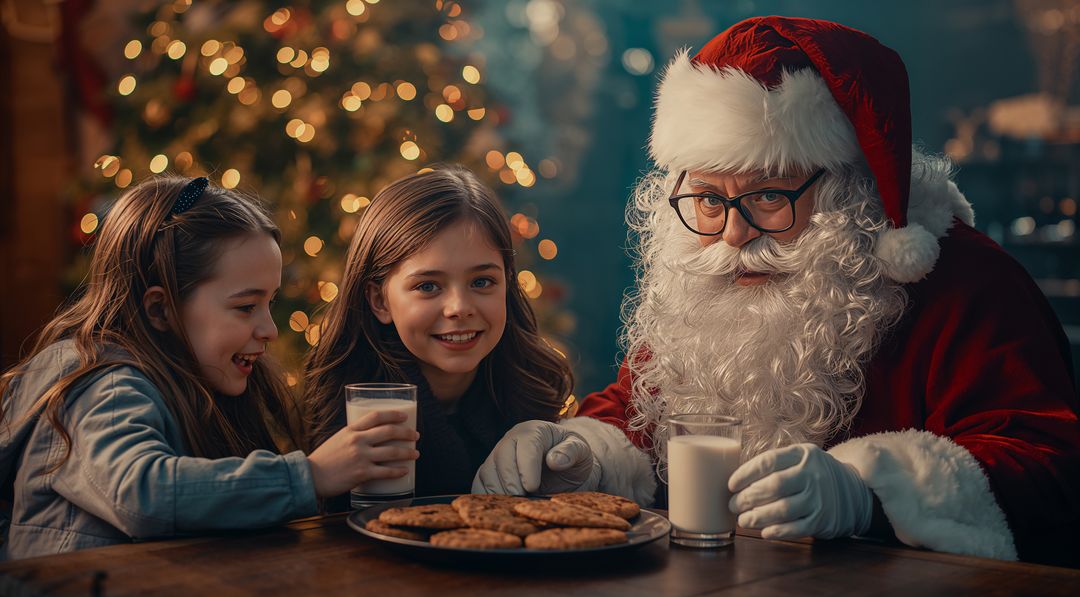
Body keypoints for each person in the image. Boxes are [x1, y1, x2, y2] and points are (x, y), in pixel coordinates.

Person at [473, 16, 1080, 565]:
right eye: (708, 198)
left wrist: (871, 493)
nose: (733, 234)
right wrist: (581, 453)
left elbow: (1050, 466)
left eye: (769, 195)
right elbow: (640, 413)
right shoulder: (707, 278)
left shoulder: (968, 285)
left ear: (850, 192)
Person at [0, 176, 417, 560]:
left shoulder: (199, 381)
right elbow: (140, 493)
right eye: (246, 306)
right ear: (161, 309)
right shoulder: (103, 384)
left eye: (269, 303)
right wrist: (312, 474)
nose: (270, 330)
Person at [303, 165, 577, 501]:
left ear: (507, 283)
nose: (459, 308)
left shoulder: (532, 391)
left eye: (482, 282)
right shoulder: (348, 410)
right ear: (380, 301)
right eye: (428, 286)